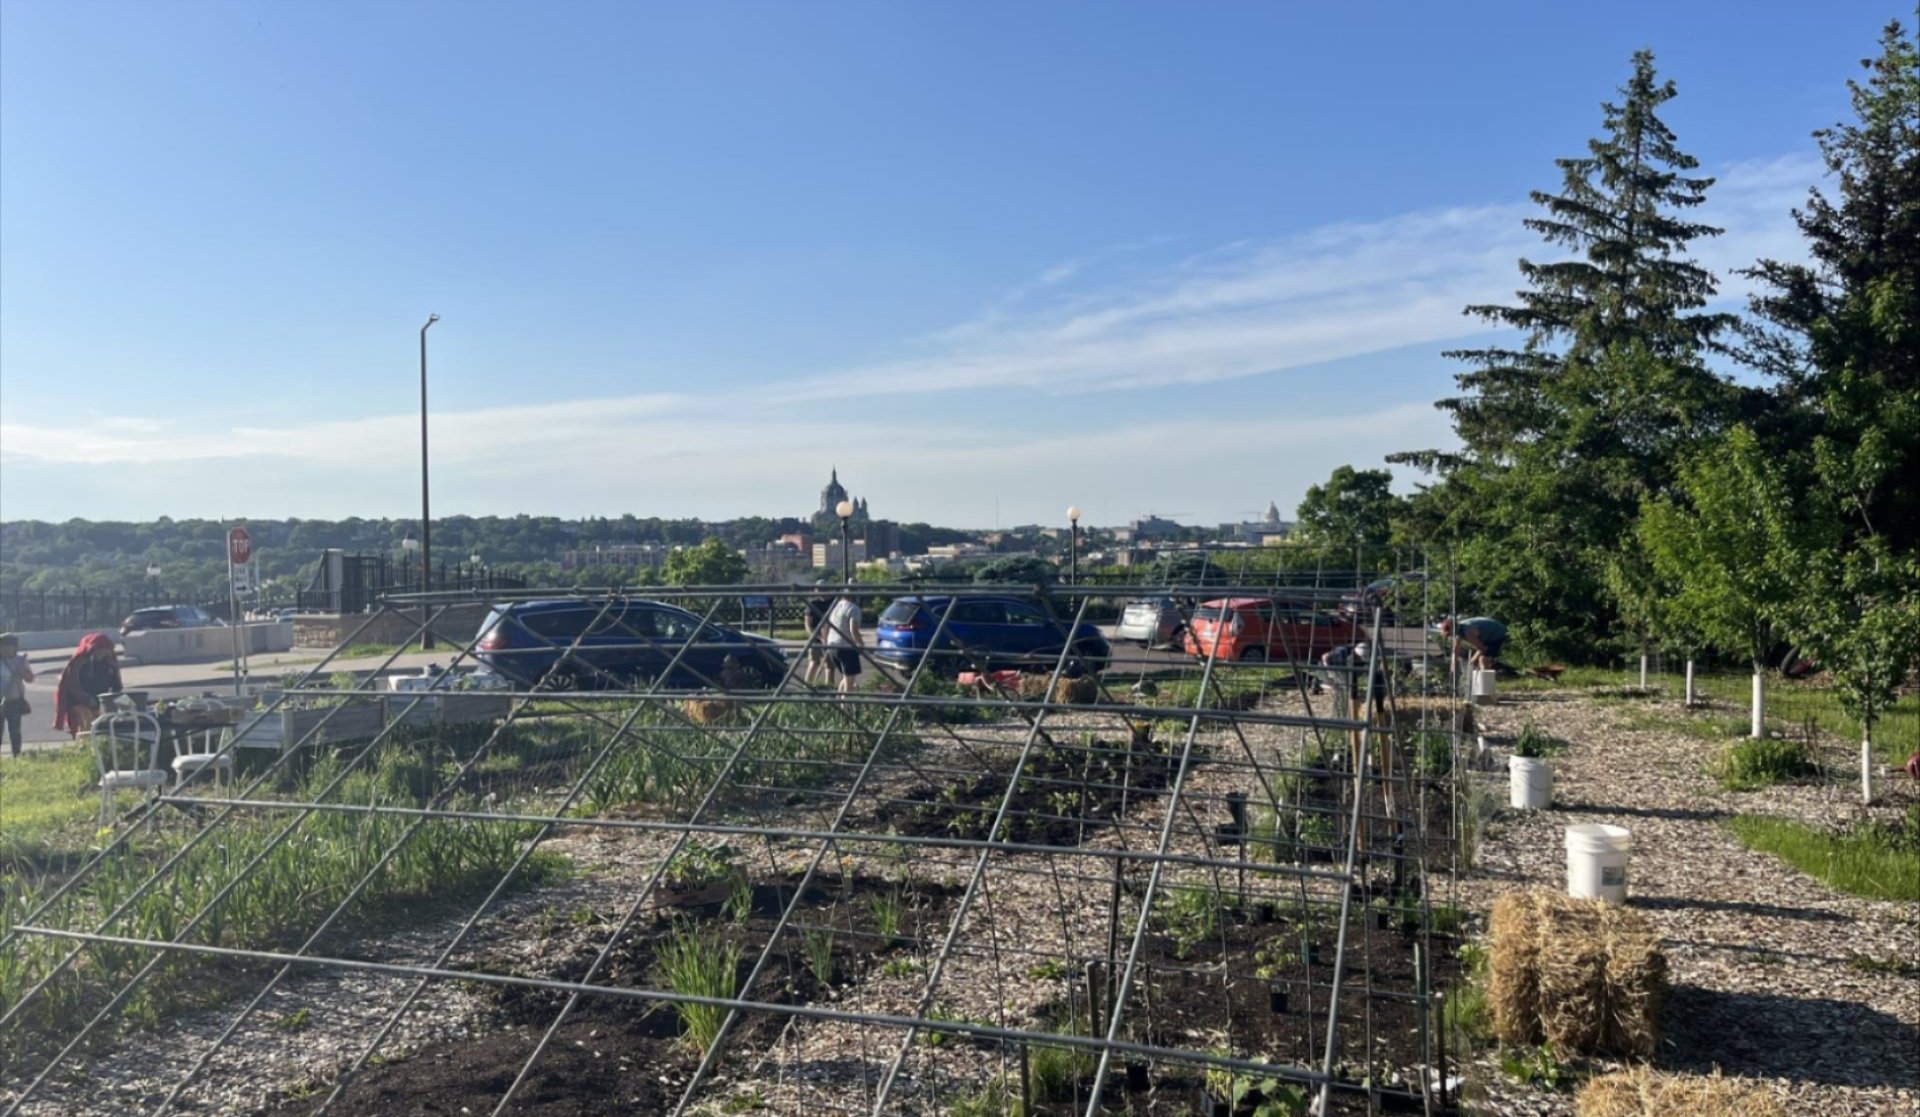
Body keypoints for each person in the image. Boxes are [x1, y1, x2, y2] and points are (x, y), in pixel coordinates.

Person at [54, 632, 122, 739]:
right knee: (86, 717)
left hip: (99, 700)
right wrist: (87, 699)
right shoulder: (79, 662)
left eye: (104, 650)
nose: (101, 653)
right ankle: (85, 745)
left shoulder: (109, 663)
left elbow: (116, 686)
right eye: (98, 649)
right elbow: (73, 685)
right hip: (78, 701)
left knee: (107, 718)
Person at [0, 633, 35, 757]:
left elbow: (30, 678)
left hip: (14, 700)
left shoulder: (20, 660)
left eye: (9, 646)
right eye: (3, 646)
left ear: (15, 647)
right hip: (0, 702)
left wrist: (22, 672)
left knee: (15, 731)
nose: (6, 649)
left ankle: (17, 755)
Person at [823, 593, 863, 696]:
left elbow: (826, 626)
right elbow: (853, 630)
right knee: (849, 685)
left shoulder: (834, 607)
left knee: (846, 678)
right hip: (846, 647)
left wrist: (826, 642)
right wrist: (861, 645)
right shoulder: (854, 608)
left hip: (832, 645)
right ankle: (844, 709)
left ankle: (838, 702)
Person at [1440, 616, 1506, 671]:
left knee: (1483, 660)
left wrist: (1472, 661)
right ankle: (1483, 682)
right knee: (1479, 661)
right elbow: (1456, 650)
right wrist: (1453, 667)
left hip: (1496, 633)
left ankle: (1486, 685)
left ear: (1453, 629)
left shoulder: (1468, 632)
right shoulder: (1458, 633)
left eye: (1448, 634)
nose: (1449, 636)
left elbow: (1482, 648)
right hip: (1487, 636)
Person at [803, 595, 832, 687]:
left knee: (830, 665)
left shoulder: (833, 602)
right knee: (814, 662)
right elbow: (807, 624)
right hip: (815, 638)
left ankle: (829, 687)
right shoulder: (813, 604)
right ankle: (807, 686)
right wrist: (817, 637)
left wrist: (826, 638)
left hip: (830, 637)